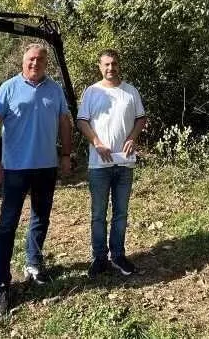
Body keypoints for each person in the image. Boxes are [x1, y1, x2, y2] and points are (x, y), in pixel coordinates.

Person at [0, 43, 73, 318]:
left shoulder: (55, 89)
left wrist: (66, 155)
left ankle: (34, 263)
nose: (35, 63)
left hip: (46, 167)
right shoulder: (8, 87)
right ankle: (1, 282)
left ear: (47, 62)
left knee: (41, 218)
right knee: (7, 225)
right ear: (23, 61)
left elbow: (64, 123)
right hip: (14, 170)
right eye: (31, 59)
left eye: (40, 59)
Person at [76, 50, 147, 278]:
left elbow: (141, 118)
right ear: (100, 67)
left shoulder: (130, 91)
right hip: (99, 165)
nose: (110, 68)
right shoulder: (92, 92)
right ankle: (99, 258)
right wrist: (96, 142)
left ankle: (118, 255)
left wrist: (132, 137)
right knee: (98, 214)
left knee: (121, 213)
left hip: (124, 163)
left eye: (114, 63)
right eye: (106, 64)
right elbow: (81, 121)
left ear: (119, 65)